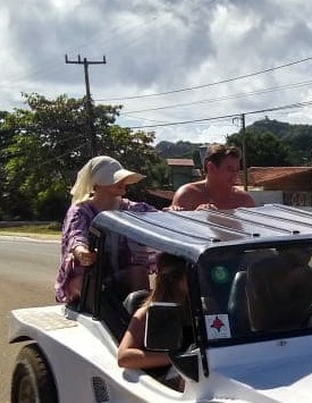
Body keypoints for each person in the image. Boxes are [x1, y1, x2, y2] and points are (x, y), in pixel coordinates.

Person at [54, 156, 154, 304]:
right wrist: (82, 252)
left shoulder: (130, 208)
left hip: (120, 272)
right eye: (114, 178)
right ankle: (108, 320)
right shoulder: (80, 211)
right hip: (89, 274)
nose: (121, 182)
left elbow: (158, 217)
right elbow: (75, 234)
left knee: (138, 273)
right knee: (88, 284)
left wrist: (177, 211)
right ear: (97, 183)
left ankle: (140, 321)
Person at [117, 253, 189, 375]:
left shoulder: (205, 307)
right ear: (174, 280)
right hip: (165, 380)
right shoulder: (146, 313)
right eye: (191, 275)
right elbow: (124, 358)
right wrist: (176, 358)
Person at [170, 144, 255, 211]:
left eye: (237, 170)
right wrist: (197, 216)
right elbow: (177, 228)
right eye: (230, 169)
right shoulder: (187, 195)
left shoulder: (244, 200)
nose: (235, 174)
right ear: (211, 168)